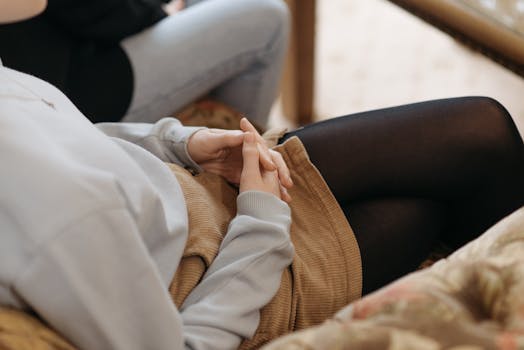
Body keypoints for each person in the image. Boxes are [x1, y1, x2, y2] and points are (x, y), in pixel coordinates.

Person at [1, 1, 524, 350]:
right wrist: (261, 220)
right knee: (477, 143)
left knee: (478, 131)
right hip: (233, 277)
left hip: (193, 196)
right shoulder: (53, 221)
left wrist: (181, 142)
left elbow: (62, 131)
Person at [0, 0, 288, 126]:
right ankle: (239, 176)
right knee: (269, 19)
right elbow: (93, 12)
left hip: (73, 42)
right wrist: (158, 13)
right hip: (74, 86)